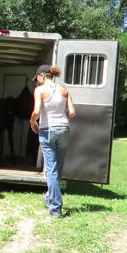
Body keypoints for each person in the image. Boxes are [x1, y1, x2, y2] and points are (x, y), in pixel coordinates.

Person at [29, 64, 76, 217]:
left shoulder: (40, 90)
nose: (37, 81)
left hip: (48, 130)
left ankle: (56, 208)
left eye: (37, 78)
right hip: (64, 129)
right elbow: (72, 112)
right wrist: (61, 119)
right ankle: (50, 197)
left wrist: (33, 122)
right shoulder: (64, 90)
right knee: (58, 167)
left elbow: (36, 111)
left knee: (51, 169)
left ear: (42, 76)